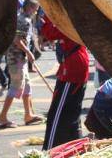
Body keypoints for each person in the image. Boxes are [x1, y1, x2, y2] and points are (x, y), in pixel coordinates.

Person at [41, 16, 89, 150]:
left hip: (72, 67)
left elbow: (50, 33)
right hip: (73, 63)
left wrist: (46, 16)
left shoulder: (68, 20)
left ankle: (48, 151)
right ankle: (76, 148)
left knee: (57, 114)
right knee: (71, 114)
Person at [0, 0, 43, 128]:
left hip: (19, 58)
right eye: (36, 9)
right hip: (16, 58)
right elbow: (16, 39)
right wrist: (29, 52)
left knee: (27, 86)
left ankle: (28, 115)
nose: (36, 12)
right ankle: (2, 117)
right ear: (30, 8)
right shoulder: (24, 20)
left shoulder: (21, 17)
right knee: (16, 86)